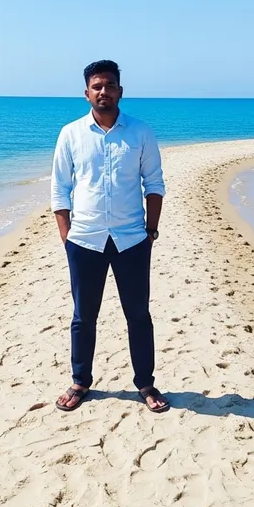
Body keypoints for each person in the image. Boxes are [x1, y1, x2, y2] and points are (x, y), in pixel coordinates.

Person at [50, 60, 169, 413]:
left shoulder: (141, 132)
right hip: (84, 241)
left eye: (110, 85)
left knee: (139, 315)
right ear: (87, 93)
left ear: (120, 90)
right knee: (83, 316)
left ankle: (145, 383)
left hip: (132, 240)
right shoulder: (70, 134)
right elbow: (60, 189)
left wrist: (150, 231)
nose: (104, 91)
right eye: (97, 86)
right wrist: (66, 237)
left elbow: (155, 183)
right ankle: (80, 382)